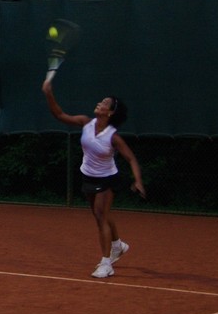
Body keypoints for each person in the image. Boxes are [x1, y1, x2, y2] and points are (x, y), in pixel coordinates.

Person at [42, 79, 146, 278]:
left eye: (104, 103)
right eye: (101, 101)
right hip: (88, 176)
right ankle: (118, 245)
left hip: (107, 179)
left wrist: (138, 181)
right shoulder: (85, 122)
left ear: (110, 112)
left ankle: (106, 264)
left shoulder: (113, 137)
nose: (100, 103)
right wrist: (48, 93)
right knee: (101, 215)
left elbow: (131, 158)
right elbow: (59, 115)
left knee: (101, 217)